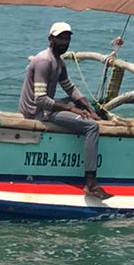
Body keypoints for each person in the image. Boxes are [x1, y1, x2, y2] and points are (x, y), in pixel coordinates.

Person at [20, 22, 112, 202]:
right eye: (60, 38)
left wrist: (89, 109)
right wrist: (72, 109)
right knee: (92, 127)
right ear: (50, 39)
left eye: (67, 38)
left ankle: (89, 115)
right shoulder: (44, 61)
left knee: (86, 112)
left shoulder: (59, 62)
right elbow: (40, 99)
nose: (64, 42)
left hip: (44, 107)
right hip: (36, 112)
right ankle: (91, 183)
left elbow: (70, 89)